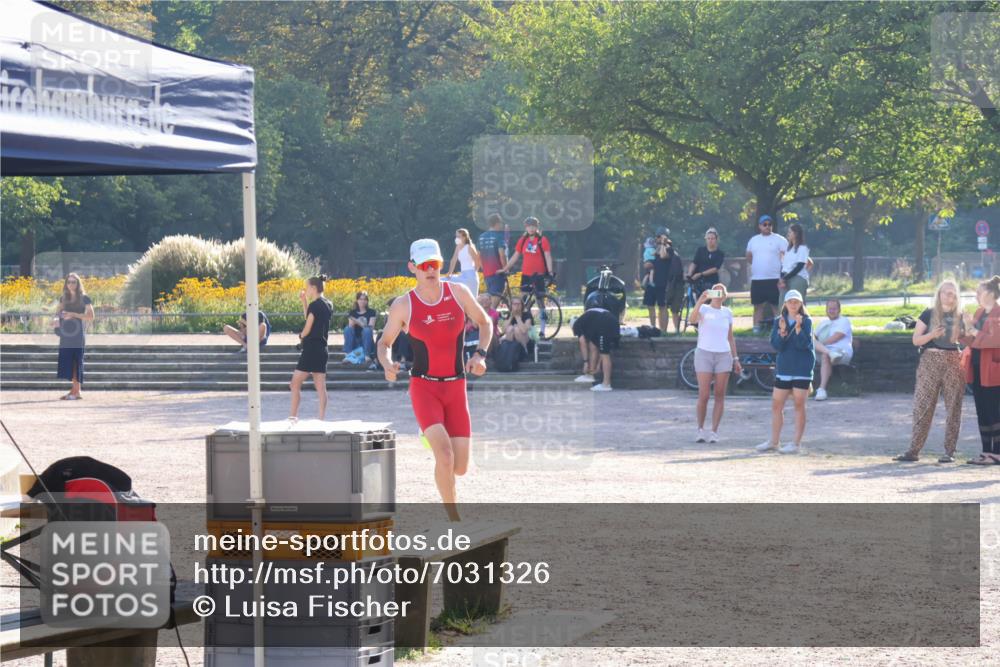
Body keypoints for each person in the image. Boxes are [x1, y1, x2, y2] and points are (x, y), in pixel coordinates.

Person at [377, 239, 493, 521]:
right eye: (425, 265)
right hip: (424, 387)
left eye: (436, 264)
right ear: (412, 268)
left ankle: (431, 437)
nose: (431, 270)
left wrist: (480, 354)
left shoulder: (458, 293)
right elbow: (384, 342)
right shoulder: (404, 305)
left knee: (460, 466)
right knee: (445, 456)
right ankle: (454, 519)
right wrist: (387, 363)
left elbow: (485, 322)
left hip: (456, 386)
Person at [892, 280, 966, 463]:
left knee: (953, 407)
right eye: (946, 292)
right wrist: (932, 335)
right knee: (923, 404)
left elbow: (968, 339)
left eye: (953, 293)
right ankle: (913, 450)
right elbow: (916, 340)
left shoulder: (961, 316)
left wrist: (962, 334)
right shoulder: (928, 313)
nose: (949, 296)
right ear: (939, 294)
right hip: (930, 360)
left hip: (954, 361)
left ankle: (949, 452)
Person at [755, 290, 814, 454]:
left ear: (801, 304)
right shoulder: (778, 321)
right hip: (785, 368)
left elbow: (804, 344)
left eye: (796, 302)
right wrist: (782, 332)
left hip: (802, 369)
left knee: (799, 404)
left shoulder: (807, 321)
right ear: (785, 304)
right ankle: (774, 441)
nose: (793, 304)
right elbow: (776, 345)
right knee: (776, 404)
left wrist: (798, 327)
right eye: (790, 302)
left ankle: (796, 443)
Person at [689, 283, 742, 442]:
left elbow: (730, 337)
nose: (719, 295)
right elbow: (692, 320)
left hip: (723, 355)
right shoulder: (704, 309)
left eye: (721, 292)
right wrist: (700, 301)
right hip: (704, 353)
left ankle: (714, 431)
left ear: (725, 296)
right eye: (715, 292)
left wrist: (736, 359)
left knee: (719, 394)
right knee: (704, 394)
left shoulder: (727, 312)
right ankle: (700, 429)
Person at [960, 276, 1000, 465]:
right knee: (982, 411)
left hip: (993, 371)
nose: (976, 294)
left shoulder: (998, 313)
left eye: (979, 291)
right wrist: (964, 329)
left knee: (995, 411)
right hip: (977, 369)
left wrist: (973, 331)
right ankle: (986, 452)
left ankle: (997, 453)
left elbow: (994, 341)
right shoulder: (979, 312)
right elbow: (972, 340)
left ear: (991, 294)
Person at [289, 275, 333, 422]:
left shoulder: (315, 305)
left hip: (311, 348)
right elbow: (311, 317)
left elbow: (308, 326)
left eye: (307, 287)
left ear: (313, 288)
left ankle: (293, 416)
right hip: (322, 349)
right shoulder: (327, 304)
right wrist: (304, 302)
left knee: (295, 383)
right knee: (321, 387)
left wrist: (301, 335)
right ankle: (321, 418)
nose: (305, 289)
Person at [500, 217, 554, 334]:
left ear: (537, 227)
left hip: (539, 275)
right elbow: (515, 256)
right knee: (522, 302)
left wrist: (550, 272)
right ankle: (525, 326)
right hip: (526, 275)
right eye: (529, 226)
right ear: (526, 227)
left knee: (540, 302)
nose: (531, 228)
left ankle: (543, 329)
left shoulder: (542, 240)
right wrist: (505, 268)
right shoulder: (523, 240)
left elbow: (548, 256)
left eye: (533, 226)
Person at [54, 273, 94, 401]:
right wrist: (56, 319)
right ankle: (75, 390)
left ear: (78, 284)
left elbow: (91, 316)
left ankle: (76, 391)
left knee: (76, 361)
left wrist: (73, 314)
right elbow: (58, 313)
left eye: (74, 282)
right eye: (69, 282)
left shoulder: (84, 298)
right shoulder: (63, 298)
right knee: (69, 361)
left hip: (77, 334)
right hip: (66, 333)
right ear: (66, 284)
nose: (71, 284)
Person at [746, 215, 787, 333]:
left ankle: (780, 329)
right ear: (760, 226)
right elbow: (748, 256)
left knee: (776, 306)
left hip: (775, 278)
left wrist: (783, 273)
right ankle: (756, 329)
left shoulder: (780, 239)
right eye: (765, 224)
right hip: (757, 279)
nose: (767, 226)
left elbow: (787, 255)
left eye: (770, 224)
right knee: (758, 306)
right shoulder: (753, 240)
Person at [572, 292, 621, 392]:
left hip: (606, 323)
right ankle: (590, 375)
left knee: (605, 354)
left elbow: (582, 343)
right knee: (593, 346)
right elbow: (595, 348)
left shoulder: (577, 324)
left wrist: (585, 362)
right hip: (611, 320)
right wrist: (598, 365)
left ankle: (606, 384)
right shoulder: (590, 322)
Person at [644, 227, 685, 334]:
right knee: (651, 305)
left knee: (663, 307)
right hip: (654, 282)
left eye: (659, 236)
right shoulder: (655, 248)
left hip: (664, 283)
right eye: (657, 237)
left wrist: (663, 243)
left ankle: (663, 330)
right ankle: (653, 328)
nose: (657, 239)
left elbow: (663, 256)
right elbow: (650, 260)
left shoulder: (669, 249)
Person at [812, 299, 853, 401]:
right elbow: (813, 337)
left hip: (841, 353)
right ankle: (829, 353)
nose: (831, 311)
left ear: (839, 309)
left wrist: (820, 345)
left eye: (834, 308)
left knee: (825, 355)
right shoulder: (823, 323)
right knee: (808, 340)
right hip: (825, 352)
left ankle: (821, 389)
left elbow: (836, 337)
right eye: (829, 309)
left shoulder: (844, 321)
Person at [478, 214, 509, 308]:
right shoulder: (499, 236)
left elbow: (478, 256)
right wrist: (506, 269)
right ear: (497, 223)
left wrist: (484, 269)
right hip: (498, 272)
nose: (502, 225)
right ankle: (489, 321)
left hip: (487, 273)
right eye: (501, 223)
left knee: (490, 301)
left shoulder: (481, 237)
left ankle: (488, 320)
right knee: (494, 304)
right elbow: (502, 255)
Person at [687, 227, 726, 298]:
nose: (710, 240)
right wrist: (690, 273)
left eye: (712, 238)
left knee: (712, 302)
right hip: (699, 283)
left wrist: (700, 274)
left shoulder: (720, 253)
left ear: (716, 239)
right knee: (701, 303)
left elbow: (715, 269)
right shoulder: (700, 250)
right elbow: (694, 263)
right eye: (708, 238)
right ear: (706, 239)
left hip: (712, 283)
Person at [344, 291, 378, 369]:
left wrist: (356, 321)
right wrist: (358, 322)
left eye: (365, 299)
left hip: (366, 343)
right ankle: (348, 354)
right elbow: (350, 326)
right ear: (357, 300)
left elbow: (371, 327)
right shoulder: (352, 312)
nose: (362, 301)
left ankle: (366, 355)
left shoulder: (371, 312)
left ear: (367, 301)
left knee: (367, 330)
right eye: (360, 299)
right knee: (347, 329)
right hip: (355, 342)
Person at [779, 223, 810, 304]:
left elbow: (799, 266)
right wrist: (782, 279)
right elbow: (784, 266)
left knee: (797, 304)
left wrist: (785, 278)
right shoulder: (788, 249)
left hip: (798, 278)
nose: (788, 234)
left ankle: (803, 317)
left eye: (790, 232)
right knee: (783, 304)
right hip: (786, 278)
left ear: (796, 234)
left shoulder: (802, 248)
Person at [447, 228, 481, 297]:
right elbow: (453, 260)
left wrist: (474, 271)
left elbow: (477, 261)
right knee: (445, 280)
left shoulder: (469, 247)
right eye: (456, 236)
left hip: (471, 276)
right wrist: (450, 273)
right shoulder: (458, 247)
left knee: (473, 299)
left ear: (464, 237)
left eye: (459, 236)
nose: (457, 238)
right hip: (463, 275)